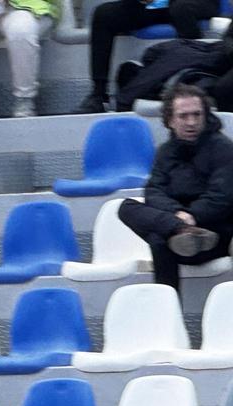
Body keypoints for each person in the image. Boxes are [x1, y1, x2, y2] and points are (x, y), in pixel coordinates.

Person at [117, 83, 233, 290]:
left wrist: (192, 216)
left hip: (216, 235)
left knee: (158, 238)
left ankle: (167, 306)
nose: (192, 122)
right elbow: (154, 191)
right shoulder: (165, 152)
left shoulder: (223, 148)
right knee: (126, 207)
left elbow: (221, 197)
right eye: (184, 116)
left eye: (197, 115)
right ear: (170, 120)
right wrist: (178, 218)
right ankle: (181, 232)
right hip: (179, 237)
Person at [74, 0, 222, 113]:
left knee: (181, 9)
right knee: (103, 14)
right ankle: (99, 94)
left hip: (190, 4)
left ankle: (193, 87)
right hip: (153, 6)